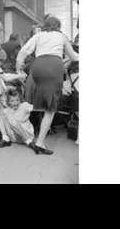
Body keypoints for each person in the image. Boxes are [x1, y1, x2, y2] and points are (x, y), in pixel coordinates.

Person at [16, 16, 79, 155]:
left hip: (37, 68)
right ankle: (39, 143)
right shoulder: (61, 36)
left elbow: (23, 51)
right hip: (53, 67)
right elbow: (74, 57)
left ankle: (38, 131)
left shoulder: (38, 36)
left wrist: (19, 69)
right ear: (58, 26)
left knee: (44, 101)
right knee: (51, 109)